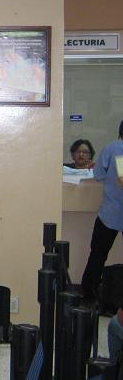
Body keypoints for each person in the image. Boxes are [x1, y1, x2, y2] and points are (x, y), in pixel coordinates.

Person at [81, 120, 123, 302]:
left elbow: (98, 175)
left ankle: (89, 294)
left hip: (110, 213)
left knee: (98, 255)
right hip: (114, 211)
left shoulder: (112, 148)